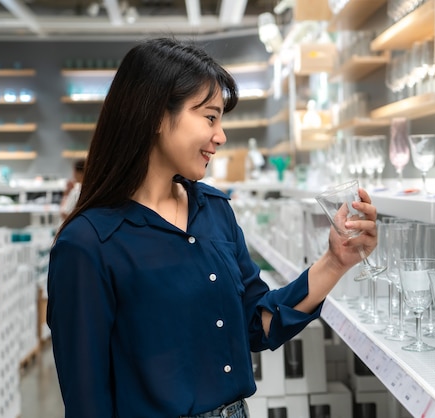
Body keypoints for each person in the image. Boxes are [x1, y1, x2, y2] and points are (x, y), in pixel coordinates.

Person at [47, 37, 378, 418]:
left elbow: (256, 324)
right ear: (155, 114)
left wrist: (335, 262)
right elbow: (87, 402)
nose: (221, 136)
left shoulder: (215, 211)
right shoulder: (88, 244)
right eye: (209, 117)